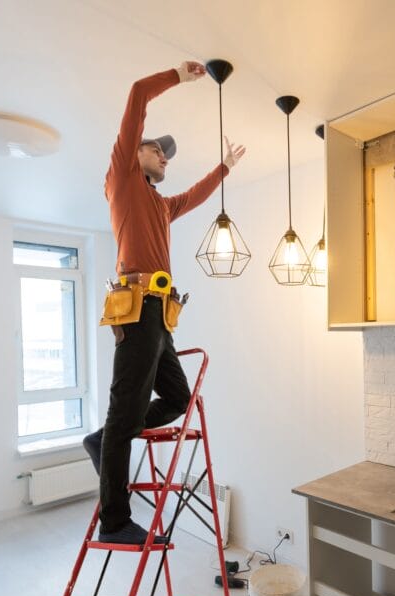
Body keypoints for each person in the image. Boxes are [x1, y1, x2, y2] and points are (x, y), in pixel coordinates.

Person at [83, 61, 245, 545]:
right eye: (159, 150)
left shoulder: (160, 204)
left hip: (161, 315)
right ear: (137, 152)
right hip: (135, 309)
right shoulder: (123, 181)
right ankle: (114, 520)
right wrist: (179, 74)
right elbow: (136, 94)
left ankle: (108, 437)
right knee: (123, 411)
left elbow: (193, 197)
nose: (166, 158)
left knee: (177, 397)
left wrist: (225, 168)